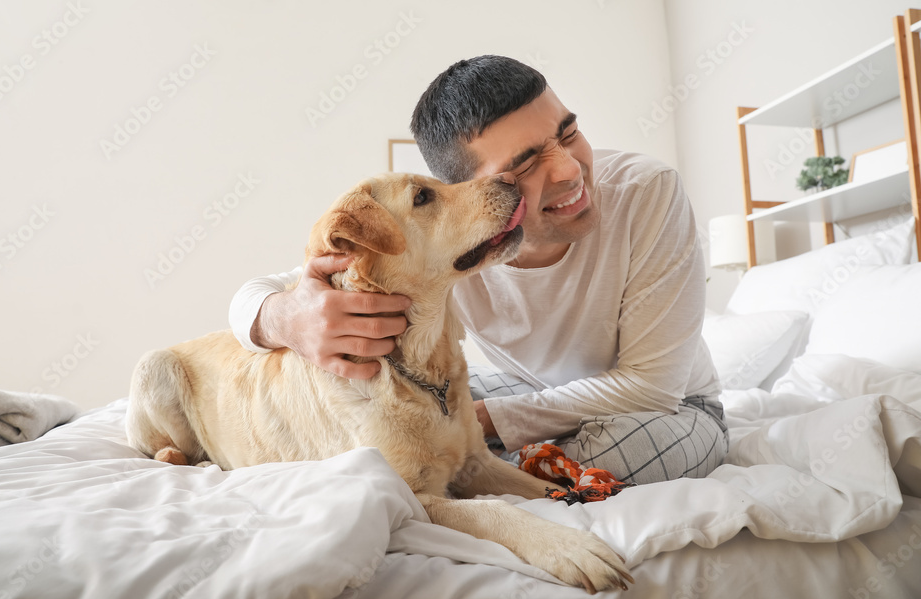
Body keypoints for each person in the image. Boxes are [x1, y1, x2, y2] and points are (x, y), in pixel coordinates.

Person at [229, 55, 726, 485]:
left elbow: (652, 385)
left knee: (597, 456)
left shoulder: (647, 192)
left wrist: (481, 425)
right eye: (526, 165)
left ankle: (473, 471)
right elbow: (259, 292)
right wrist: (286, 319)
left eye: (569, 134)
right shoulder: (441, 239)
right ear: (463, 193)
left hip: (673, 405)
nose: (571, 170)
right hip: (534, 390)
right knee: (396, 409)